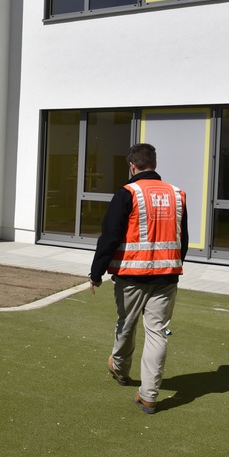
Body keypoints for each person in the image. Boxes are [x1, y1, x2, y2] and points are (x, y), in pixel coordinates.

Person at [89, 143, 188, 414]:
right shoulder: (177, 194)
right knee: (158, 333)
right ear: (153, 164)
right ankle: (149, 395)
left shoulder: (127, 193)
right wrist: (174, 265)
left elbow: (109, 236)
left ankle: (120, 369)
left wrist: (96, 273)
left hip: (131, 275)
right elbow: (184, 238)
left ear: (132, 165)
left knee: (127, 323)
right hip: (167, 276)